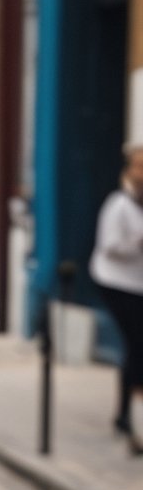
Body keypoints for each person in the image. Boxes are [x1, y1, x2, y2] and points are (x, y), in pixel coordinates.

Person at [90, 144, 143, 456]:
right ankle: (129, 418)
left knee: (136, 347)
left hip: (139, 284)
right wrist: (137, 243)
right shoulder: (118, 204)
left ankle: (126, 415)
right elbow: (109, 246)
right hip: (116, 282)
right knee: (137, 344)